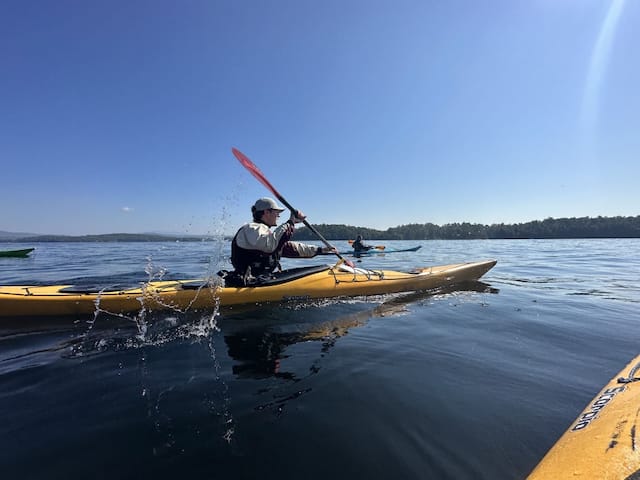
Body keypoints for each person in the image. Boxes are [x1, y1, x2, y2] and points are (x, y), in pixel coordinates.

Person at [227, 197, 335, 286]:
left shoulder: (264, 232)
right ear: (266, 212)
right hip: (245, 282)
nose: (278, 216)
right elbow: (271, 245)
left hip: (259, 279)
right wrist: (291, 222)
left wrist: (320, 250)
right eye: (276, 212)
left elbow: (290, 248)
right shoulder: (251, 229)